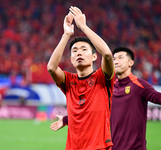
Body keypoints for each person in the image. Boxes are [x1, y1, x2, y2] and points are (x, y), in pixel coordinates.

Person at [51, 47, 161, 150]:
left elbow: (158, 98)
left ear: (131, 63)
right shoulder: (108, 87)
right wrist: (66, 120)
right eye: (114, 59)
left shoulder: (139, 85)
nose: (116, 61)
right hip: (113, 147)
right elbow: (90, 112)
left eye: (120, 58)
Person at [47, 6, 115, 150]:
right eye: (75, 51)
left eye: (84, 49)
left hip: (100, 147)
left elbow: (108, 54)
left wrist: (83, 26)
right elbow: (52, 68)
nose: (79, 53)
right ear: (71, 59)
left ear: (94, 56)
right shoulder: (68, 82)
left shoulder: (103, 78)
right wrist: (66, 34)